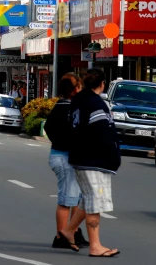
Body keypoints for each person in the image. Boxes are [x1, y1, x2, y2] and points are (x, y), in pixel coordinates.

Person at [60, 69, 120, 258]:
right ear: (102, 83)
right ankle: (95, 246)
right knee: (95, 202)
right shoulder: (95, 103)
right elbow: (102, 132)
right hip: (94, 159)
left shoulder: (78, 100)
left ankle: (69, 230)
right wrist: (112, 155)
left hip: (81, 156)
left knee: (87, 199)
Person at [44, 73, 88, 251]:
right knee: (66, 199)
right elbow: (57, 130)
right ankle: (61, 235)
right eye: (78, 87)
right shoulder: (66, 108)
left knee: (76, 198)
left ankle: (74, 232)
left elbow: (48, 127)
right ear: (73, 90)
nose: (80, 89)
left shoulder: (64, 106)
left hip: (64, 155)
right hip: (64, 157)